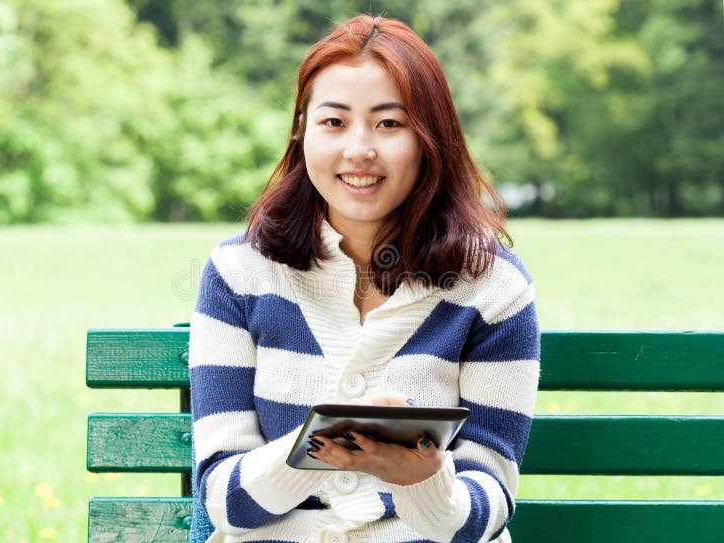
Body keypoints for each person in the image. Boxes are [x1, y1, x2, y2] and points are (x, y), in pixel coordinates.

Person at [189, 14, 540, 543]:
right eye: (334, 122)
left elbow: (489, 507)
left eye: (388, 124)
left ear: (430, 138)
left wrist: (424, 482)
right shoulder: (240, 273)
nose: (359, 149)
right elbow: (223, 500)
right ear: (301, 130)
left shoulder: (493, 286)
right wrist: (325, 443)